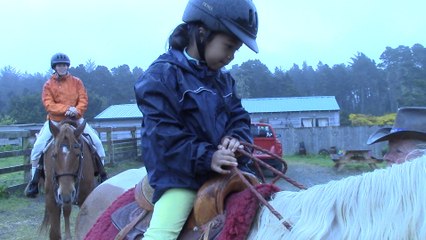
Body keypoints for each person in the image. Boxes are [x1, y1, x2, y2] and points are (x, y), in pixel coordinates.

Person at [134, 0, 259, 238]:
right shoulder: (161, 76)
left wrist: (236, 139)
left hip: (225, 172)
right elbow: (162, 135)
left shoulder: (224, 81)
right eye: (229, 46)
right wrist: (207, 157)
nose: (231, 56)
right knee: (162, 235)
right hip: (180, 177)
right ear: (202, 32)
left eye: (236, 50)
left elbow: (239, 117)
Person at [24, 52, 107, 198]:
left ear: (67, 66)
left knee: (97, 143)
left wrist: (77, 110)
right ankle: (33, 183)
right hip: (55, 121)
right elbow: (48, 104)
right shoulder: (48, 85)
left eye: (64, 65)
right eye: (58, 65)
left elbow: (83, 99)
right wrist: (66, 109)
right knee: (37, 148)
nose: (61, 67)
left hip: (76, 119)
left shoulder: (77, 82)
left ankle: (102, 177)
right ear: (54, 68)